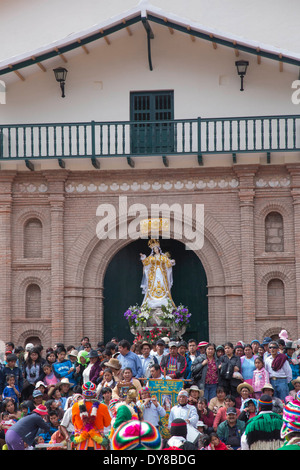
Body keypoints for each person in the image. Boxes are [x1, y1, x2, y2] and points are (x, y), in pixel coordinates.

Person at [71, 381, 111, 450]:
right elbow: (107, 424)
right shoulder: (103, 407)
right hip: (98, 444)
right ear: (95, 393)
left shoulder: (75, 406)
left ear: (83, 393)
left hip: (81, 444)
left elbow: (73, 422)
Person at [140, 238, 175, 309]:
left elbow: (168, 264)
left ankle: (163, 298)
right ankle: (153, 298)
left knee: (162, 284)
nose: (156, 250)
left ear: (159, 249)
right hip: (154, 274)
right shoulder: (151, 258)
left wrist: (172, 262)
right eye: (154, 249)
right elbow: (146, 263)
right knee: (154, 284)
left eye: (157, 249)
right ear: (153, 250)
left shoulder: (163, 257)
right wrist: (143, 257)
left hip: (162, 273)